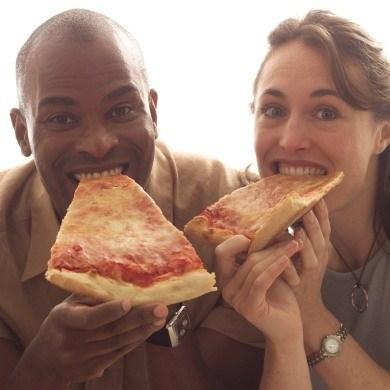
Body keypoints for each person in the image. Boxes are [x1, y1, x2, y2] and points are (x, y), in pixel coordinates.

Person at [0, 9, 253, 390]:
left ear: (152, 112)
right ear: (22, 132)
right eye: (62, 119)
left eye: (121, 110)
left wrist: (165, 310)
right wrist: (42, 371)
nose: (99, 144)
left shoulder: (229, 208)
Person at [215, 9, 390, 390]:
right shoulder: (254, 248)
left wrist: (311, 315)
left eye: (326, 112)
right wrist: (285, 332)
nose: (290, 139)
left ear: (383, 133)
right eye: (273, 110)